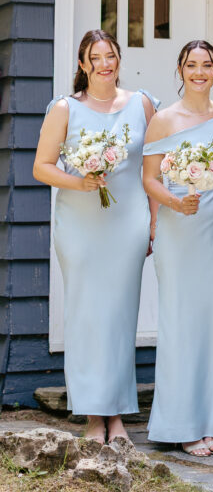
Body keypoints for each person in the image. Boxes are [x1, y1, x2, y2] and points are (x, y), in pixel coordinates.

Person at [33, 29, 157, 444]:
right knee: (87, 316)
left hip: (128, 223)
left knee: (121, 316)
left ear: (118, 60)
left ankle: (118, 413)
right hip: (80, 226)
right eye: (96, 57)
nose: (105, 63)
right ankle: (91, 415)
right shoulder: (65, 108)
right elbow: (42, 167)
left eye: (111, 56)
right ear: (83, 64)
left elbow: (155, 167)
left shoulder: (141, 104)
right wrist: (78, 181)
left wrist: (155, 221)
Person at [142, 40, 213, 457]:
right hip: (179, 227)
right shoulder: (164, 120)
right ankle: (181, 424)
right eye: (191, 65)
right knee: (181, 324)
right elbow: (149, 178)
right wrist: (173, 203)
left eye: (207, 65)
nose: (199, 72)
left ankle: (210, 422)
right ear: (180, 70)